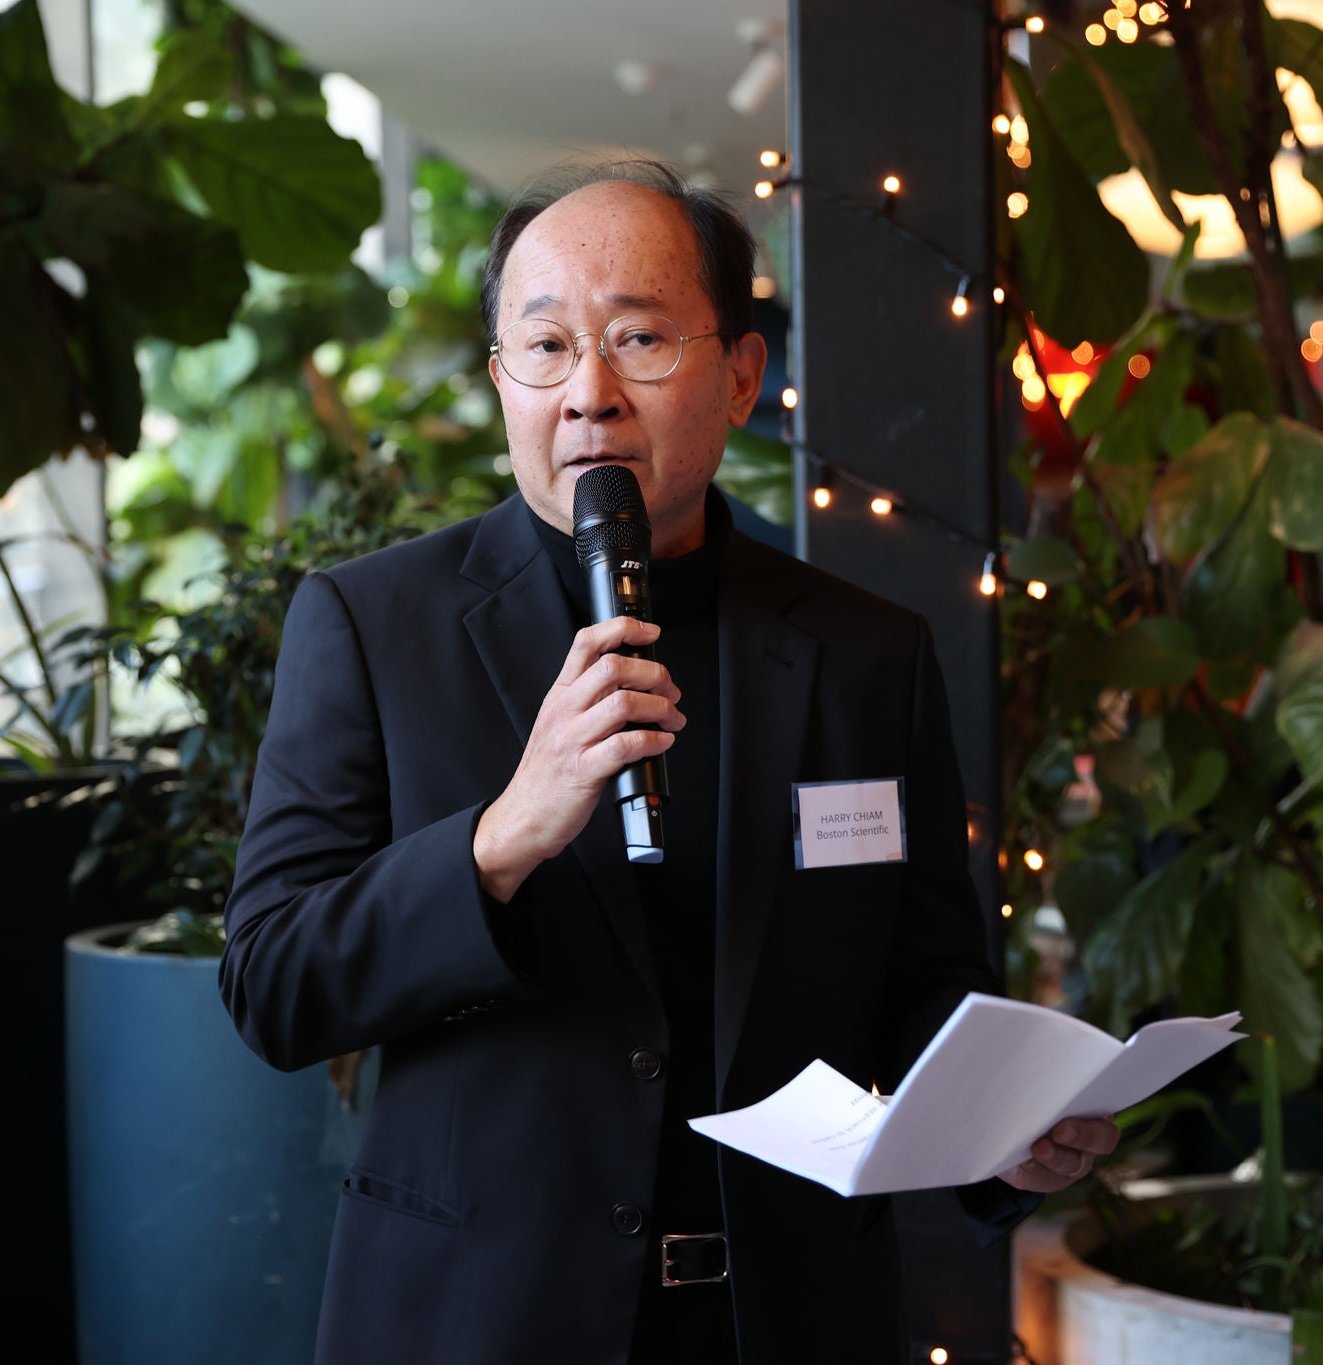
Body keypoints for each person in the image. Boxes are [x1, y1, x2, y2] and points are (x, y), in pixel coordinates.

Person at [219, 160, 1116, 1365]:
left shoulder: (863, 652)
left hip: (785, 1321)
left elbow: (917, 990)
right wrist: (504, 837)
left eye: (637, 338)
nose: (587, 394)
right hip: (477, 1322)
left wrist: (997, 1133)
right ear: (501, 384)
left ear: (740, 376)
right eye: (542, 347)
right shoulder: (373, 627)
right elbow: (274, 984)